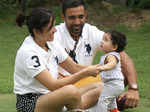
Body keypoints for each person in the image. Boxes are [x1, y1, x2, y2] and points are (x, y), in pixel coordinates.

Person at [53, 0, 139, 111]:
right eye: (72, 17)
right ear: (63, 17)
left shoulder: (91, 31)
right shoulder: (55, 35)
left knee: (121, 72)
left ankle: (103, 102)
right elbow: (73, 68)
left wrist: (133, 88)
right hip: (64, 82)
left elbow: (122, 55)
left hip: (86, 79)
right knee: (103, 87)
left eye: (80, 17)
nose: (77, 22)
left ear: (86, 16)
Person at [14, 7, 104, 112]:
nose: (55, 30)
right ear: (37, 31)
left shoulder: (51, 42)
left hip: (53, 96)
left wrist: (102, 69)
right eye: (50, 27)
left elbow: (74, 67)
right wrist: (85, 73)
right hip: (30, 104)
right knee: (70, 91)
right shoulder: (28, 52)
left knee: (101, 87)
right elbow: (54, 85)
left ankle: (74, 109)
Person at [96, 30, 127, 112]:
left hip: (114, 83)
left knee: (102, 100)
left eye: (105, 40)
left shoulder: (111, 56)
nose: (102, 41)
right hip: (113, 84)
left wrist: (102, 68)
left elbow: (112, 64)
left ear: (114, 47)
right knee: (111, 102)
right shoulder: (107, 55)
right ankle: (114, 110)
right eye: (102, 39)